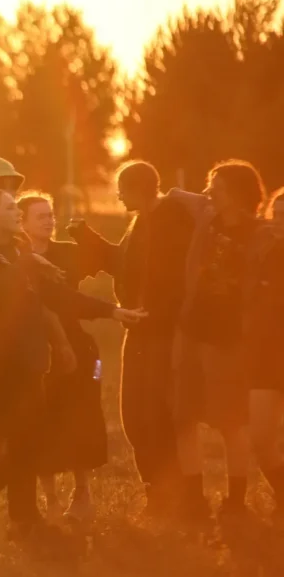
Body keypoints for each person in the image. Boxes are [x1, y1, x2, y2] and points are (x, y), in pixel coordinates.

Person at [0, 190, 145, 541]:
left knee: (26, 442)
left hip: (29, 364)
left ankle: (25, 519)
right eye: (9, 208)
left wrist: (110, 311)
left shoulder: (20, 254)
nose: (16, 213)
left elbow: (57, 297)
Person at [67, 160, 194, 515]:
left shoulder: (169, 222)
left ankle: (174, 495)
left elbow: (172, 278)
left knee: (155, 415)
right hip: (138, 330)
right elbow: (126, 265)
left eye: (123, 189)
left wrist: (157, 315)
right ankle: (156, 490)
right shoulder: (140, 222)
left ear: (140, 188)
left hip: (161, 335)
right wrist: (89, 239)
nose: (119, 196)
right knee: (134, 415)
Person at [167, 160, 265, 520]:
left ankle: (235, 501)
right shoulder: (208, 219)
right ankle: (194, 498)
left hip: (229, 340)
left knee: (230, 423)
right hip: (193, 329)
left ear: (237, 194)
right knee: (183, 416)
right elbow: (183, 196)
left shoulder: (260, 234)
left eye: (218, 187)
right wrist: (175, 193)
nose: (210, 192)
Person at [18, 192, 108, 522]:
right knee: (43, 420)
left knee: (81, 415)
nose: (49, 220)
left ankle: (82, 492)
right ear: (22, 223)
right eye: (40, 216)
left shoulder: (67, 253)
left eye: (50, 214)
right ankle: (51, 497)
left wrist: (86, 236)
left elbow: (108, 261)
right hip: (35, 347)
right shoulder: (16, 259)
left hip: (76, 343)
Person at [248, 187, 284, 517]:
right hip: (264, 359)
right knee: (260, 439)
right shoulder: (264, 254)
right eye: (276, 214)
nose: (278, 222)